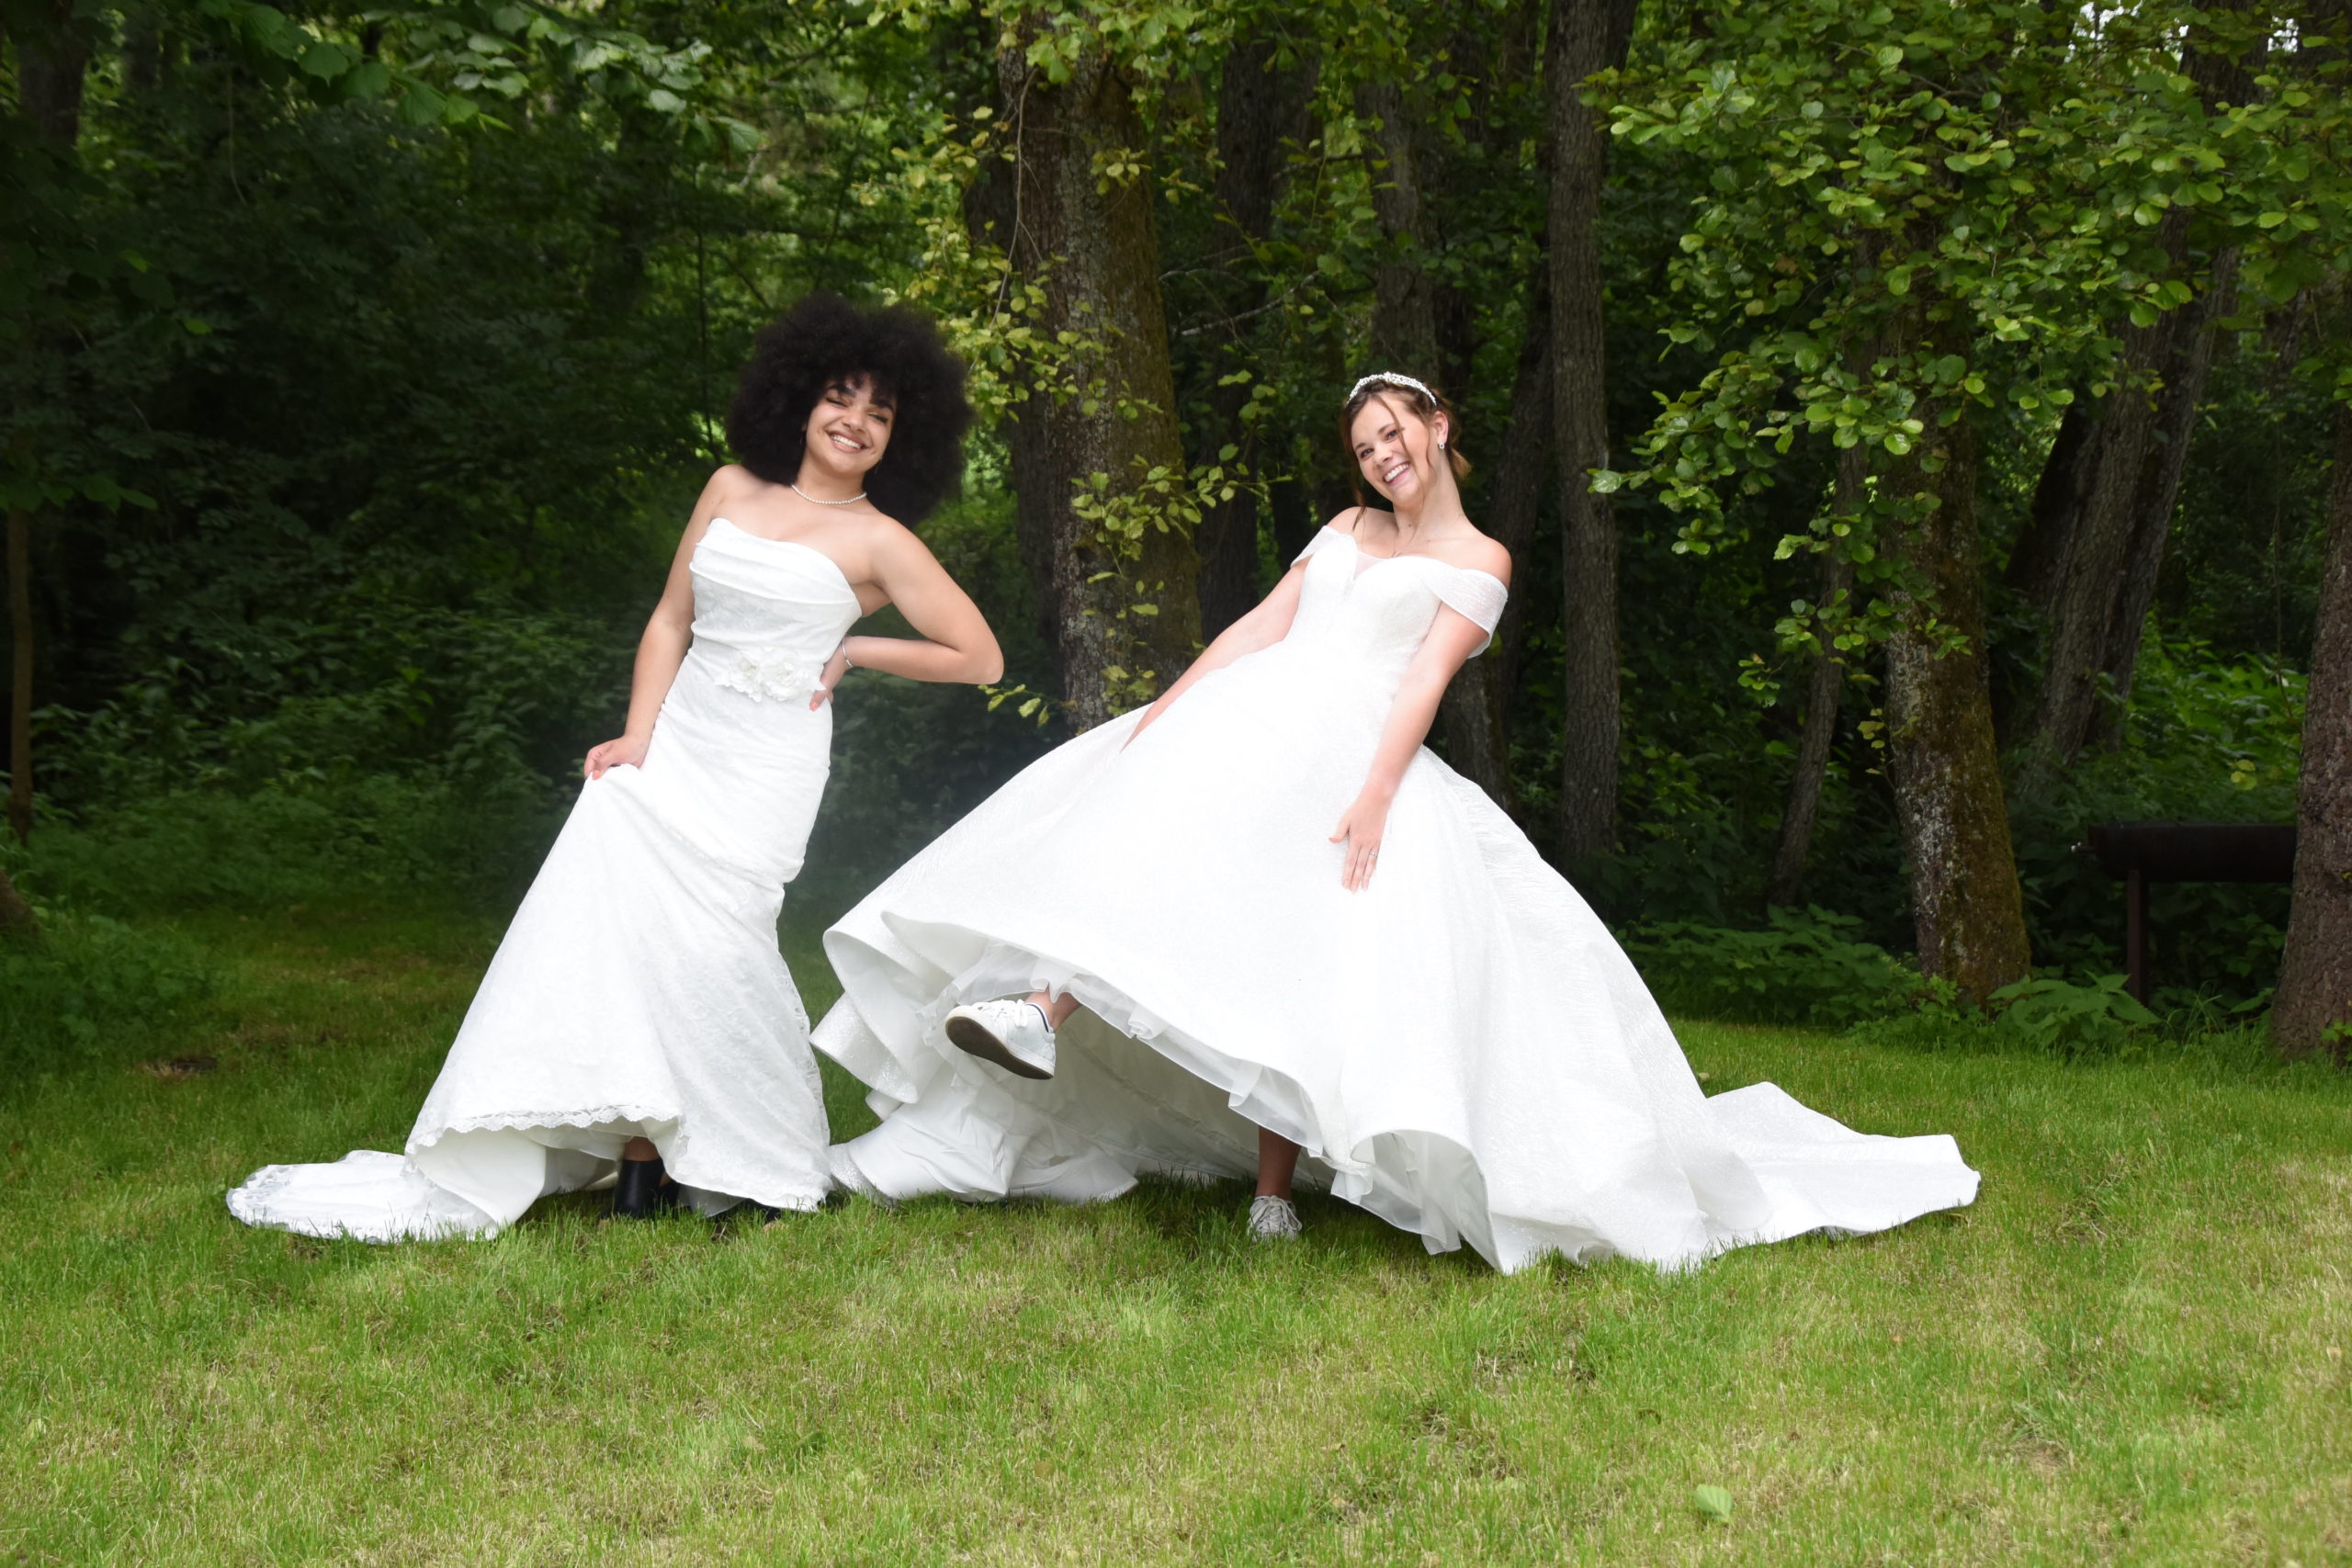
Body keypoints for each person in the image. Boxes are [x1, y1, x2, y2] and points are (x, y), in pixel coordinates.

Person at [812, 371, 1980, 1272]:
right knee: (1160, 860)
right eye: (1365, 447)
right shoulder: (1342, 529)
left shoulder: (1479, 559)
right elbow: (1258, 629)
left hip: (1349, 751)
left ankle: (1266, 1185)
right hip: (1253, 720)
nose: (1381, 457)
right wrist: (1165, 709)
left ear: (1436, 426)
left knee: (1300, 957)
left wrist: (1372, 793)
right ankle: (1039, 1008)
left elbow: (1420, 680)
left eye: (1393, 435)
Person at [228, 294, 1002, 1240]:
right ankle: (643, 1158)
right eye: (841, 397)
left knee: (719, 948)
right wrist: (638, 737)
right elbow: (670, 619)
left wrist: (856, 650)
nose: (856, 421)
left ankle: (751, 1160)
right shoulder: (729, 487)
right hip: (681, 739)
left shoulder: (883, 540)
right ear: (800, 398)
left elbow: (979, 656)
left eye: (880, 412)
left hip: (767, 765)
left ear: (899, 437)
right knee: (635, 935)